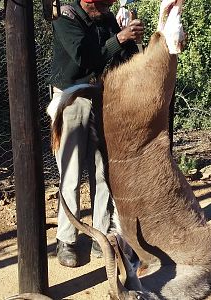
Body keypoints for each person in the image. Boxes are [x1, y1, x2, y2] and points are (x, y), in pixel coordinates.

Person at [48, 0, 144, 268]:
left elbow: (120, 58)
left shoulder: (107, 18)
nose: (107, 7)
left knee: (102, 172)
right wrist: (120, 38)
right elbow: (86, 58)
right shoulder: (65, 17)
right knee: (71, 173)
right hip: (71, 98)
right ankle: (66, 239)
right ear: (88, 1)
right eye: (103, 3)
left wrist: (131, 41)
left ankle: (100, 236)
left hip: (102, 98)